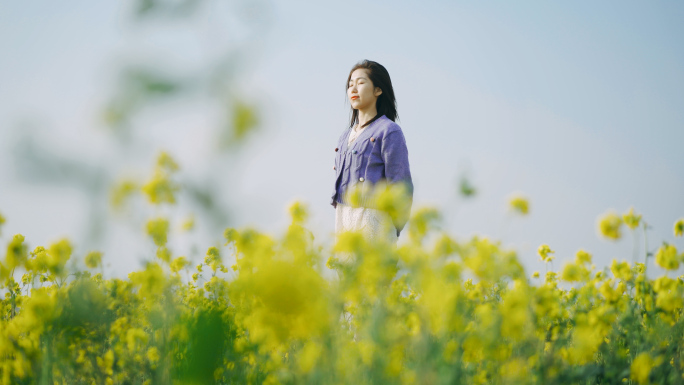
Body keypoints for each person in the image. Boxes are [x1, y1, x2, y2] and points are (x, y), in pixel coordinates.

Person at [331, 60, 413, 248]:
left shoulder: (389, 131)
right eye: (350, 84)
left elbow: (401, 184)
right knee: (345, 275)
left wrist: (393, 227)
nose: (353, 89)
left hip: (373, 218)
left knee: (371, 275)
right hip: (343, 216)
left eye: (360, 83)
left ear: (378, 90)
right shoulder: (345, 136)